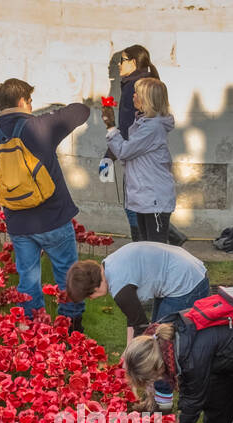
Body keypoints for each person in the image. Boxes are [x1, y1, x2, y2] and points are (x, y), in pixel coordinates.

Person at [0, 79, 90, 332]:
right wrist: (53, 113)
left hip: (20, 223)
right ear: (24, 102)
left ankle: (34, 327)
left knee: (28, 278)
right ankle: (70, 323)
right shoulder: (40, 126)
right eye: (30, 101)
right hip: (54, 216)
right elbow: (81, 111)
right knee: (66, 275)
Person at [65, 243, 208, 342]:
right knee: (157, 331)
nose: (91, 299)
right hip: (182, 267)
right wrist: (128, 351)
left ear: (94, 289)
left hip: (186, 282)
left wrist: (132, 360)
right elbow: (133, 316)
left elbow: (141, 328)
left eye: (89, 296)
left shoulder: (120, 289)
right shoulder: (109, 264)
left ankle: (161, 386)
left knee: (163, 341)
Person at [104, 77, 176, 244]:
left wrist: (111, 127)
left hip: (153, 198)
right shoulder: (143, 124)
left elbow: (124, 151)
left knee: (155, 247)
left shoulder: (153, 127)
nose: (133, 96)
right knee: (146, 245)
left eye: (137, 94)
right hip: (145, 197)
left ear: (147, 99)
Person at [106, 44, 160, 242]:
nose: (118, 65)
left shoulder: (133, 86)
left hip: (135, 153)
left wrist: (110, 153)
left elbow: (127, 126)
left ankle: (141, 243)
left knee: (133, 203)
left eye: (122, 60)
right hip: (148, 153)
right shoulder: (148, 82)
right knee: (144, 202)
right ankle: (157, 238)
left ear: (134, 62)